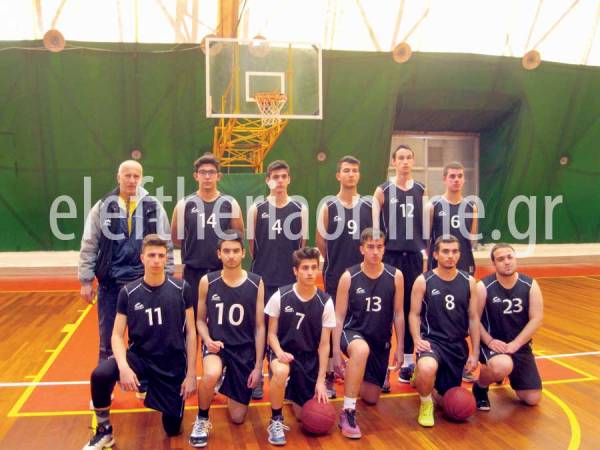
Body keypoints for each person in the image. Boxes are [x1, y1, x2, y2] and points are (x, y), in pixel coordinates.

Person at [82, 235, 196, 450]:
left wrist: (191, 374)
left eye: (160, 255)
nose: (156, 260)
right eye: (151, 255)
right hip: (140, 358)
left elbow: (191, 333)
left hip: (171, 365)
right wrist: (124, 367)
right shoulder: (129, 292)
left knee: (172, 429)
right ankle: (104, 432)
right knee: (101, 374)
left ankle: (161, 397)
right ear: (142, 258)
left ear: (167, 258)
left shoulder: (182, 289)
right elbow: (116, 335)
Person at [78, 160, 174, 362]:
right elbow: (89, 243)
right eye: (127, 175)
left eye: (136, 176)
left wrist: (168, 276)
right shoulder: (103, 206)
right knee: (108, 341)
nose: (131, 180)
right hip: (111, 283)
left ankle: (146, 377)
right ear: (118, 177)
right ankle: (108, 378)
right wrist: (86, 280)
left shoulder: (153, 207)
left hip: (144, 283)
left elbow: (166, 244)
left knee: (148, 338)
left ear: (141, 178)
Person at [189, 231, 265, 447]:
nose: (231, 256)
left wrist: (258, 366)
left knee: (238, 418)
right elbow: (200, 320)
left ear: (243, 253)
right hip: (217, 346)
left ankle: (228, 381)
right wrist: (207, 339)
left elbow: (260, 327)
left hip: (244, 349)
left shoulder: (256, 283)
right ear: (219, 254)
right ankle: (202, 419)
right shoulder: (207, 281)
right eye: (226, 251)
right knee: (210, 374)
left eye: (235, 251)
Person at [332, 229, 404, 439]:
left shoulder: (395, 276)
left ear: (384, 249)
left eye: (379, 247)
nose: (375, 251)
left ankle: (357, 370)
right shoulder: (349, 276)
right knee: (361, 350)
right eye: (370, 247)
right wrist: (335, 352)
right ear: (361, 249)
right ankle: (347, 411)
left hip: (380, 341)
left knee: (371, 398)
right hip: (353, 333)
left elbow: (398, 313)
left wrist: (400, 347)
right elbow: (338, 316)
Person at [247, 160, 308, 399]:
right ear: (267, 180)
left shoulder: (299, 208)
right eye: (275, 177)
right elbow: (252, 247)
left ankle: (279, 374)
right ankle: (258, 375)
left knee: (284, 331)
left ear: (289, 179)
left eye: (283, 176)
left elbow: (301, 245)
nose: (279, 181)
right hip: (262, 279)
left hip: (288, 282)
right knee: (259, 329)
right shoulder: (257, 209)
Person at [264, 247, 335, 446]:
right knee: (280, 371)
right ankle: (276, 419)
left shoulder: (325, 302)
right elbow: (271, 334)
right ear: (295, 271)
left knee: (303, 415)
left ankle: (292, 392)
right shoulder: (280, 296)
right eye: (305, 268)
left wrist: (321, 380)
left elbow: (324, 345)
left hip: (308, 359)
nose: (310, 272)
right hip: (283, 352)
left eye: (314, 267)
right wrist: (279, 353)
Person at [316, 155, 372, 398]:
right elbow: (321, 242)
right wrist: (335, 263)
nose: (351, 174)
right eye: (346, 170)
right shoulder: (328, 206)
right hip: (335, 274)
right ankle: (329, 371)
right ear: (338, 175)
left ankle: (365, 369)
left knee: (362, 318)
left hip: (364, 276)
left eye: (355, 170)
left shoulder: (369, 206)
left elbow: (374, 239)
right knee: (331, 323)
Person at [409, 235, 480, 427]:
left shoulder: (469, 281)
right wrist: (416, 339)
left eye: (455, 251)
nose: (450, 256)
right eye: (445, 251)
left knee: (445, 400)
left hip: (457, 345)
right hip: (432, 342)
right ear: (435, 255)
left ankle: (423, 379)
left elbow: (473, 318)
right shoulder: (424, 281)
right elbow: (414, 314)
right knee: (427, 368)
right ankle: (425, 403)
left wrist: (475, 352)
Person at [372, 144, 426, 384]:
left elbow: (426, 225)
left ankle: (408, 362)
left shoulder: (421, 190)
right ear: (393, 162)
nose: (405, 161)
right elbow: (375, 228)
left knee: (412, 308)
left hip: (413, 256)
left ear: (413, 161)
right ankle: (382, 365)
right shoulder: (382, 190)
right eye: (400, 158)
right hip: (390, 257)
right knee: (386, 310)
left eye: (408, 157)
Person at [171, 153, 244, 317]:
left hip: (222, 271)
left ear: (219, 176)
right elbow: (176, 238)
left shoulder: (230, 203)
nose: (207, 176)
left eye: (211, 172)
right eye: (203, 172)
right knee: (193, 319)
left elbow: (237, 236)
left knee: (221, 319)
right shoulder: (184, 204)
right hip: (193, 272)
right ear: (196, 176)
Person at [472, 243, 543, 410]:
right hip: (493, 344)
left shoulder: (530, 285)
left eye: (510, 257)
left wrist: (516, 344)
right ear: (494, 263)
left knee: (532, 399)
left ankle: (505, 373)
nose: (506, 262)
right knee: (502, 365)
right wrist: (489, 341)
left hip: (519, 345)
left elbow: (537, 319)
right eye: (501, 259)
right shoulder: (483, 287)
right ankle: (480, 387)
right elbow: (473, 319)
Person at [427, 161, 478, 275]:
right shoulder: (433, 206)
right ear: (444, 179)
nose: (456, 180)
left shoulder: (471, 207)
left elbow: (471, 240)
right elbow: (427, 241)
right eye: (452, 176)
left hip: (464, 262)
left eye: (460, 176)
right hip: (438, 264)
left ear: (464, 179)